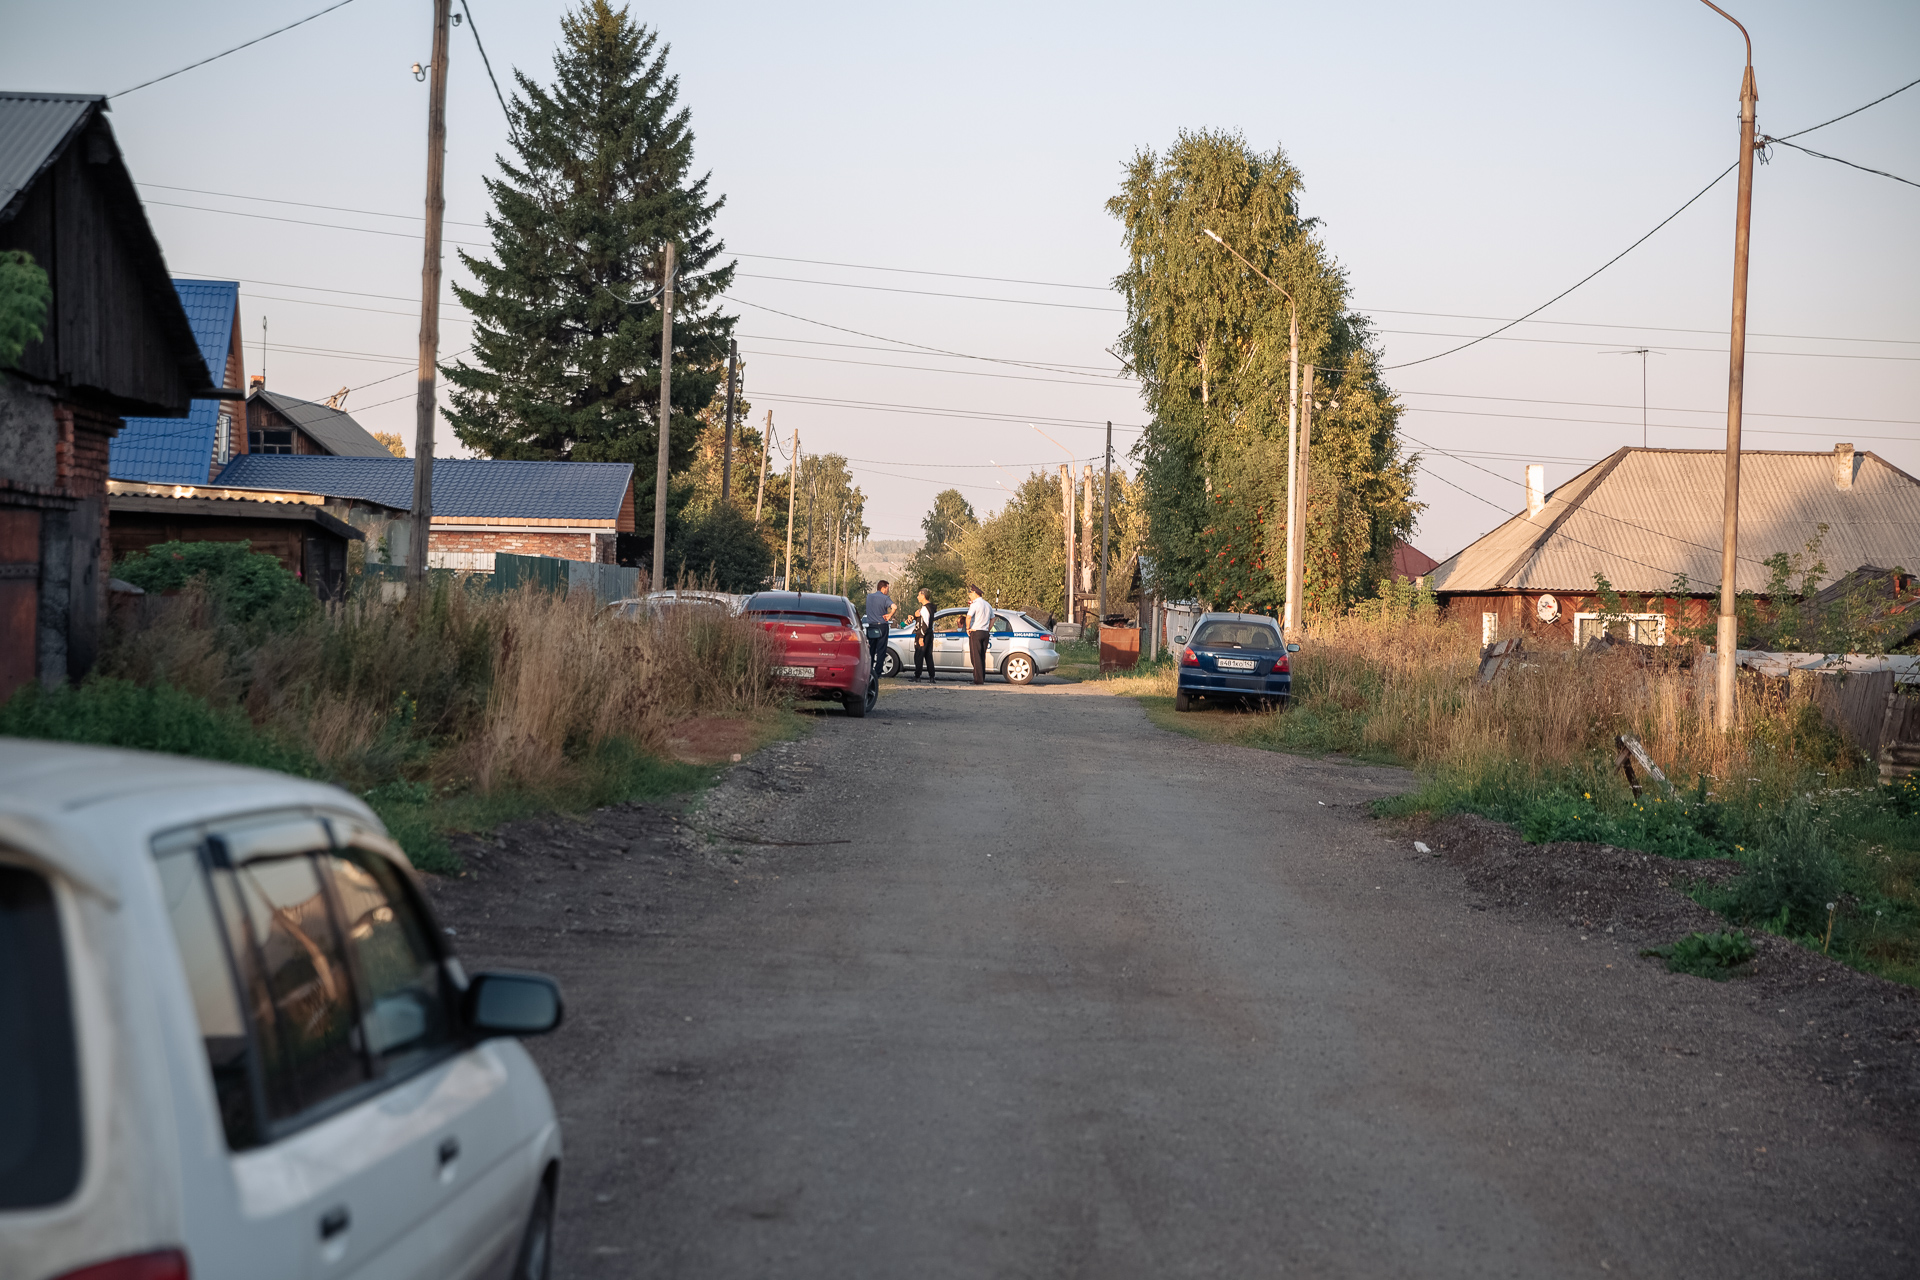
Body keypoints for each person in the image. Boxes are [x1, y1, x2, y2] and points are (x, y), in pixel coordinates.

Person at [863, 580, 896, 682]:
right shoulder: (885, 598)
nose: (888, 590)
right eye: (887, 588)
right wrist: (890, 615)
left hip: (871, 626)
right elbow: (894, 607)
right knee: (881, 650)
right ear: (883, 588)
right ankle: (877, 673)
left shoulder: (869, 597)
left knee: (871, 649)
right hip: (882, 626)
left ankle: (869, 671)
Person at [965, 583, 992, 685]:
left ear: (975, 593)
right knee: (981, 656)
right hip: (985, 632)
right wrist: (988, 628)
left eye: (970, 593)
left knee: (975, 657)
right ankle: (982, 678)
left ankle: (978, 680)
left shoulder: (975, 604)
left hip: (976, 632)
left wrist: (967, 628)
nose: (969, 595)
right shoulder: (987, 604)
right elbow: (993, 618)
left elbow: (968, 617)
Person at [911, 588, 936, 681]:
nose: (917, 597)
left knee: (919, 654)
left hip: (923, 633)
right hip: (929, 633)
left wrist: (921, 636)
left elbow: (925, 623)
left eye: (919, 595)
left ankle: (917, 676)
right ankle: (931, 676)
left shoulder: (925, 608)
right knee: (928, 655)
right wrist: (915, 616)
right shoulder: (930, 608)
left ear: (923, 596)